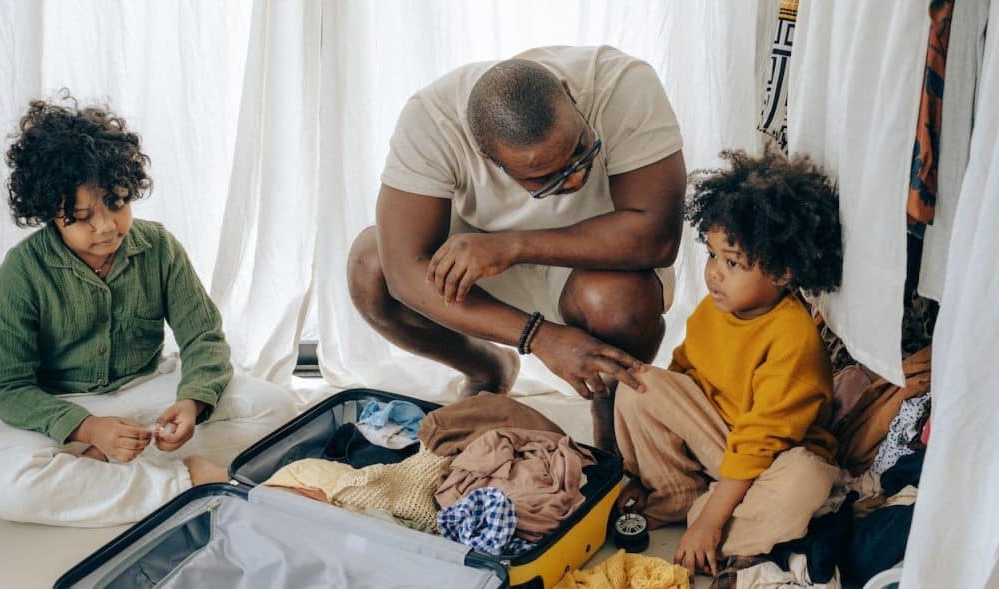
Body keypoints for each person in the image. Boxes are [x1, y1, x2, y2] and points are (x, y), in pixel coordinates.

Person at [0, 93, 296, 526]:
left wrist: (191, 403)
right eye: (83, 217)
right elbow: (7, 386)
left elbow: (203, 338)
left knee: (276, 407)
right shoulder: (22, 271)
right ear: (51, 214)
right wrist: (88, 428)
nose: (106, 226)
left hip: (148, 392)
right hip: (57, 405)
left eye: (117, 204)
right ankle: (186, 482)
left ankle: (98, 472)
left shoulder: (158, 246)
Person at [347, 46, 686, 450]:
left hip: (599, 256)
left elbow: (657, 237)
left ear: (568, 92)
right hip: (485, 264)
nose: (575, 180)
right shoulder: (431, 120)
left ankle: (610, 420)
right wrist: (538, 337)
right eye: (545, 178)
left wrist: (514, 245)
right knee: (371, 266)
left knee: (619, 303)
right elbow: (403, 271)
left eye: (581, 149)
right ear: (485, 155)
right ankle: (488, 369)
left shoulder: (622, 84)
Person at [613, 149, 844, 581]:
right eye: (713, 254)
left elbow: (760, 442)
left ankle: (716, 527)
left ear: (782, 273)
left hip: (775, 458)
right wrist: (654, 449)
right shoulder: (714, 308)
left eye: (732, 262)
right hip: (720, 439)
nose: (715, 273)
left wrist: (710, 521)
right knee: (636, 383)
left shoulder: (793, 338)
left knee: (807, 481)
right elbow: (683, 376)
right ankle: (675, 494)